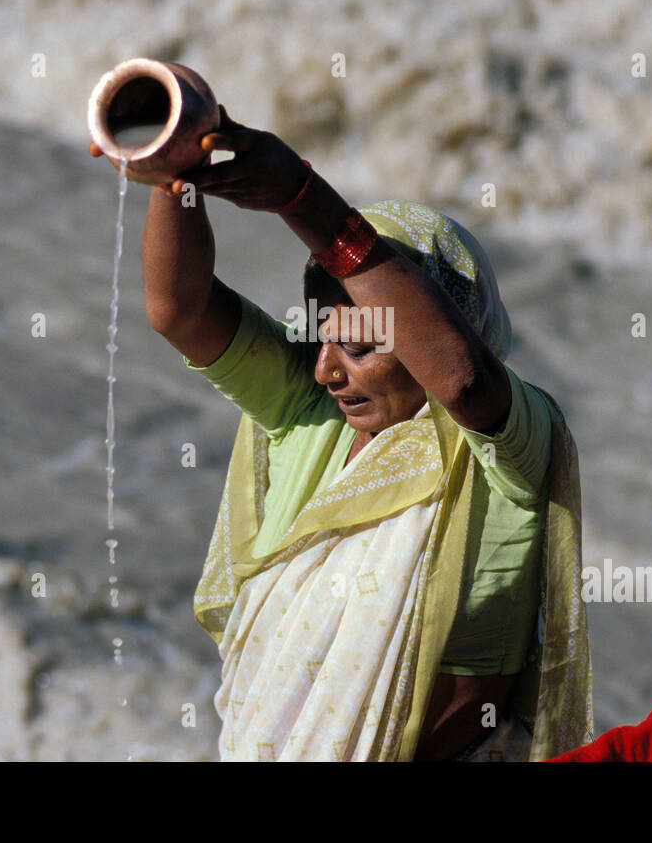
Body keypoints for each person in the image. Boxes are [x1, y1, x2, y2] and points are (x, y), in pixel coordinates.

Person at [90, 107, 592, 760]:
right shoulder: (304, 410)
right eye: (321, 334)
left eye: (360, 347)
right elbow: (178, 309)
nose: (327, 368)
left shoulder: (505, 449)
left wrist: (303, 196)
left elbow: (462, 381)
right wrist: (175, 168)